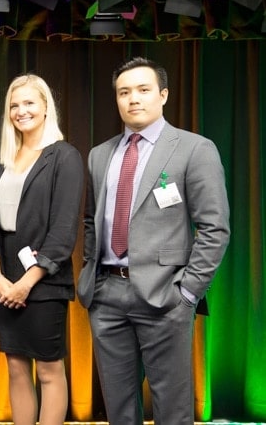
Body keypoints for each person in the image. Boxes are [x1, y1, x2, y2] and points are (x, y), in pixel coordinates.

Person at [77, 57, 230, 424]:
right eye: (124, 92)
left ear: (163, 95)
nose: (133, 99)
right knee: (118, 409)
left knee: (173, 409)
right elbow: (90, 220)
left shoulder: (194, 148)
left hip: (165, 296)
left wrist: (187, 293)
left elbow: (215, 228)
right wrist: (92, 280)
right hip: (107, 296)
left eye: (143, 90)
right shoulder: (100, 155)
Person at [0, 74, 83, 425]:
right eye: (14, 105)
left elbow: (63, 231)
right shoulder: (5, 159)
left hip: (44, 280)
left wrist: (26, 283)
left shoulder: (64, 156)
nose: (21, 111)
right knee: (14, 366)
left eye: (28, 103)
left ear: (45, 107)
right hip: (5, 279)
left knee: (49, 369)